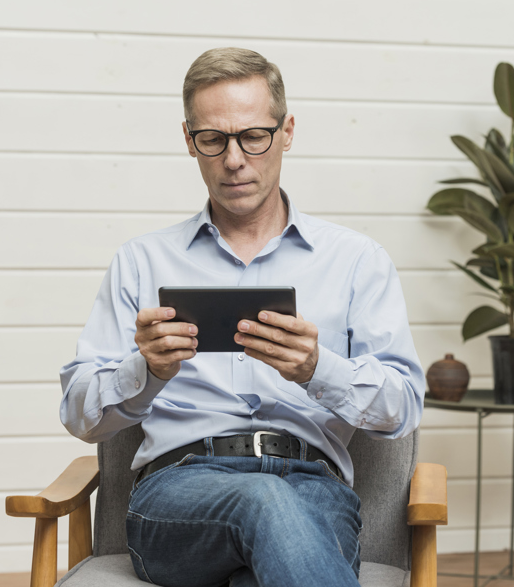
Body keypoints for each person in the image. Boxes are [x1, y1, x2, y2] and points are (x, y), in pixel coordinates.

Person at [59, 47, 425, 587]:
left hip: (313, 489)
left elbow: (403, 409)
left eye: (254, 136)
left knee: (277, 526)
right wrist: (146, 370)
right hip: (178, 495)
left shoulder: (357, 261)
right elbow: (78, 415)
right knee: (264, 501)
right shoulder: (141, 262)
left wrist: (318, 369)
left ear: (287, 131)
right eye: (214, 139)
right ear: (189, 140)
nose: (235, 160)